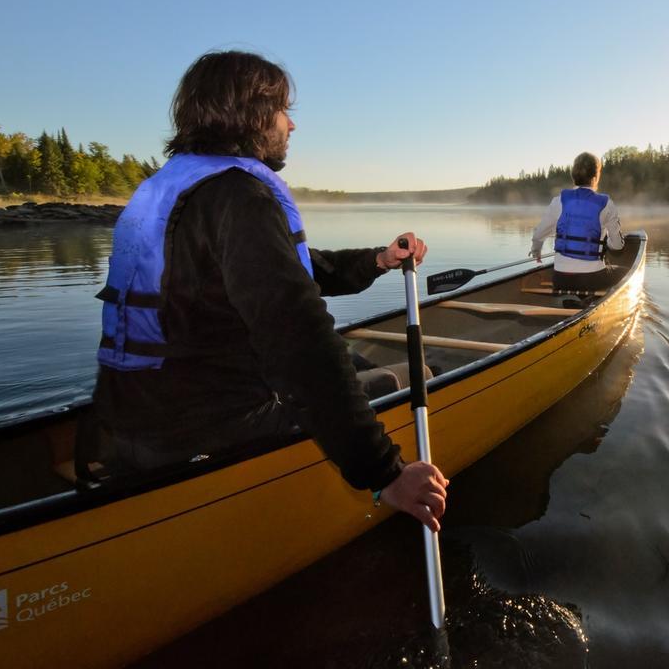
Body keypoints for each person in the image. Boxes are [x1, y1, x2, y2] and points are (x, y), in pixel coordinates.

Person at [89, 50, 447, 531]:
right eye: (284, 111)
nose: (291, 126)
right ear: (254, 114)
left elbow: (294, 272)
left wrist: (378, 260)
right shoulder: (241, 198)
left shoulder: (174, 192)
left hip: (125, 422)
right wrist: (384, 472)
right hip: (210, 431)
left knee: (355, 359)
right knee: (415, 372)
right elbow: (301, 344)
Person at [530, 151, 624, 293]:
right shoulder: (607, 204)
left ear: (573, 176)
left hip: (560, 278)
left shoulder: (558, 201)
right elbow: (617, 247)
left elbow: (538, 235)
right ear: (596, 176)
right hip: (592, 279)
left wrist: (536, 251)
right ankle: (590, 300)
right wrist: (608, 243)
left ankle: (576, 301)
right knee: (626, 272)